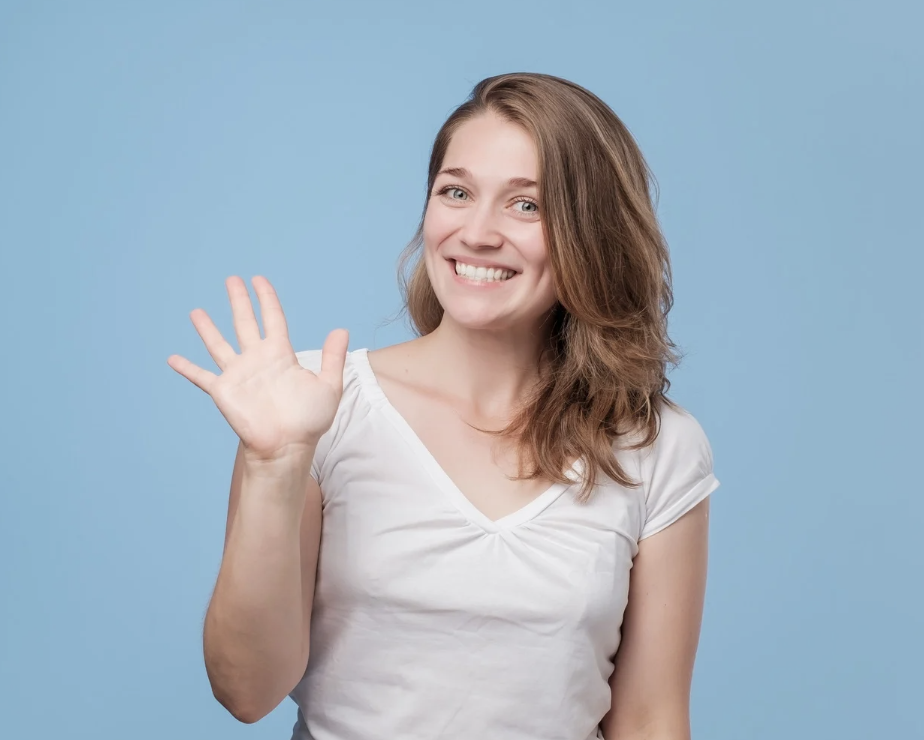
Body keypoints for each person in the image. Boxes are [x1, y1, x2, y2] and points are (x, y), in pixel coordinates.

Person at [168, 72, 720, 740]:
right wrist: (274, 464)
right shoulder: (316, 402)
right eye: (455, 192)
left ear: (591, 233)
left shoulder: (659, 446)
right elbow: (247, 690)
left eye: (527, 205)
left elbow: (650, 719)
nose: (478, 233)